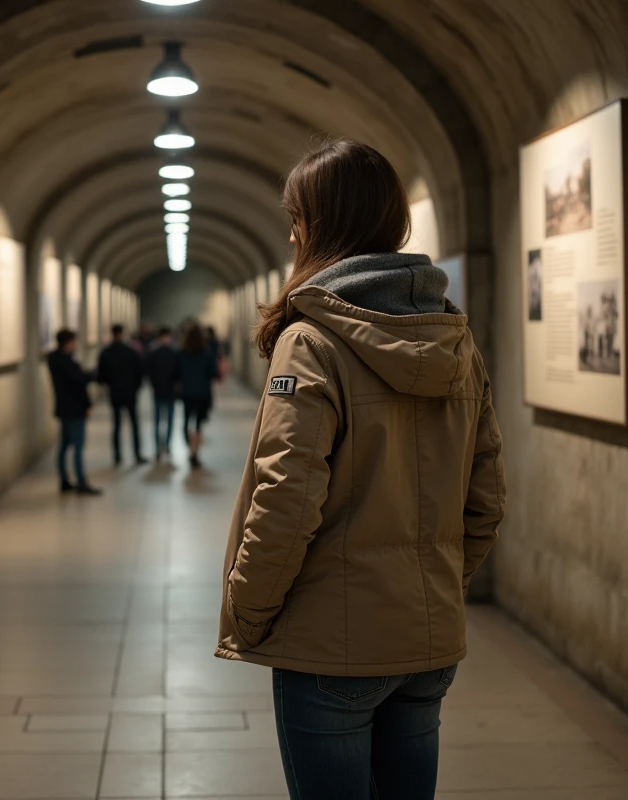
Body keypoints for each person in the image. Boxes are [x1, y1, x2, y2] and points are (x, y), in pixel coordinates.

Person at [215, 138, 505, 800]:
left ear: (318, 224)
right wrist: (433, 585)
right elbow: (486, 495)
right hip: (426, 640)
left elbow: (286, 496)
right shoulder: (455, 337)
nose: (290, 233)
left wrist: (250, 610)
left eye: (296, 217)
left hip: (328, 646)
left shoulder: (310, 339)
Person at [47, 329, 101, 495]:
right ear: (68, 342)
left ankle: (64, 480)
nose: (75, 345)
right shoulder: (67, 363)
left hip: (64, 408)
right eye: (73, 342)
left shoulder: (55, 360)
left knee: (64, 445)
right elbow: (79, 383)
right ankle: (81, 482)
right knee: (77, 446)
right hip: (75, 409)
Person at [97, 324, 147, 466]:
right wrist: (135, 388)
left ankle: (117, 456)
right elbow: (140, 372)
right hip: (130, 393)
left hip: (115, 393)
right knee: (134, 424)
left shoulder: (106, 353)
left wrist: (111, 384)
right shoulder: (131, 352)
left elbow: (101, 377)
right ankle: (137, 454)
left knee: (117, 425)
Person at [176, 324, 219, 469]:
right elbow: (214, 373)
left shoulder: (181, 353)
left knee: (186, 421)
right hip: (203, 393)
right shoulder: (207, 353)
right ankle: (194, 452)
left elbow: (176, 373)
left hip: (187, 393)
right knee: (199, 424)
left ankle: (190, 446)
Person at [144, 326, 179, 462]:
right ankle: (160, 447)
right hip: (160, 391)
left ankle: (166, 445)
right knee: (160, 421)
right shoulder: (166, 353)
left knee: (167, 420)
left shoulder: (168, 353)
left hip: (167, 392)